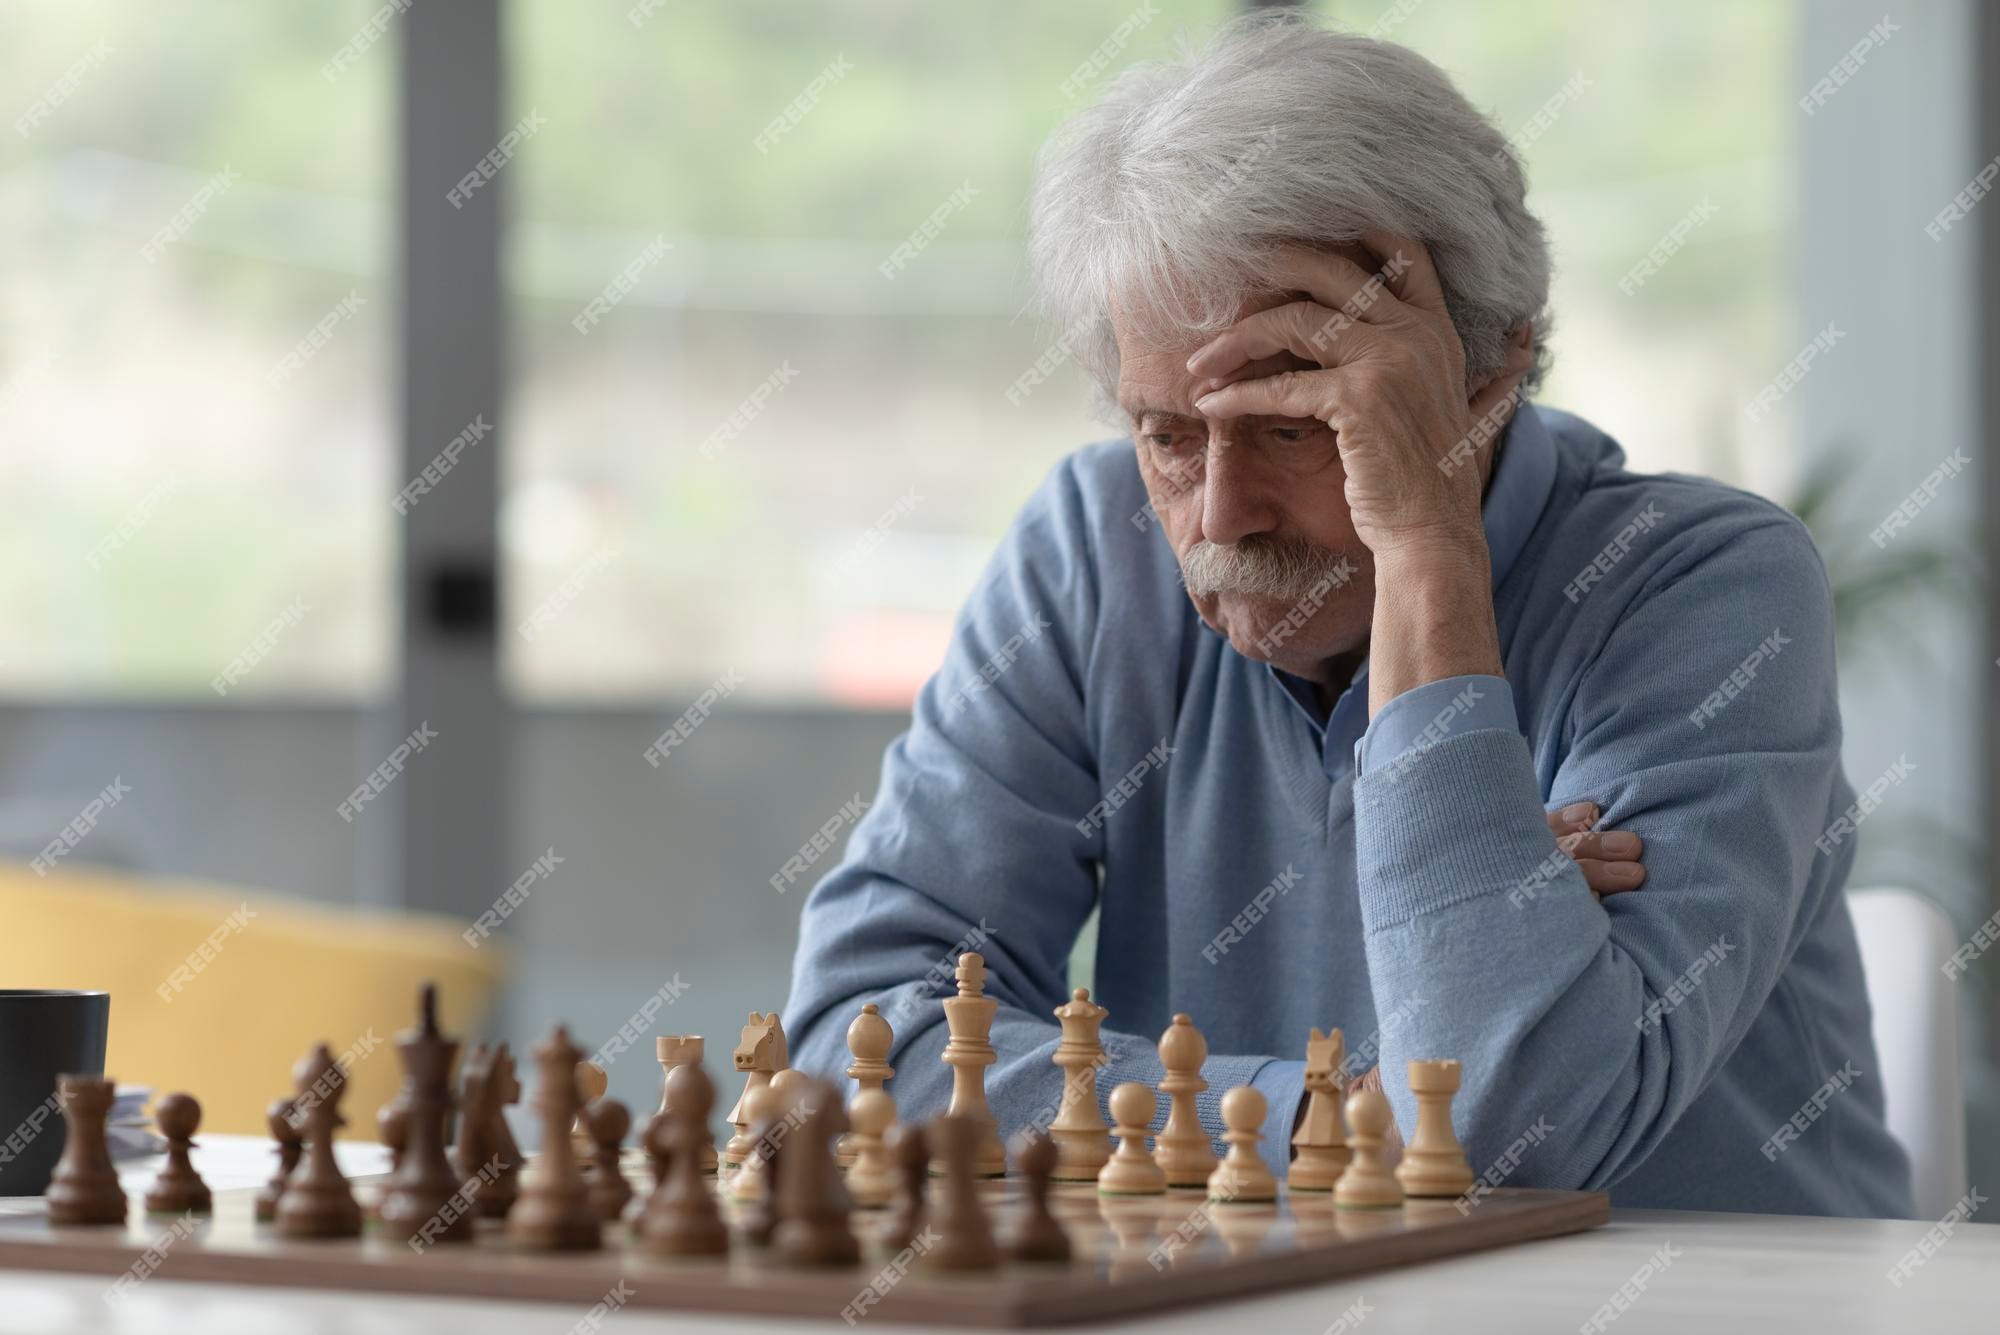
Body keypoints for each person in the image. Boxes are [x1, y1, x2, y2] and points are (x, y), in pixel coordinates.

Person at [784, 11, 1910, 1217]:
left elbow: (1514, 1128)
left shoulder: (1706, 585)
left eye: (1291, 428)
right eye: (1166, 436)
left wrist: (1427, 552)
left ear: (1485, 382)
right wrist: (1342, 1111)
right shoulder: (1091, 548)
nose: (1219, 516)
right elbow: (858, 1045)